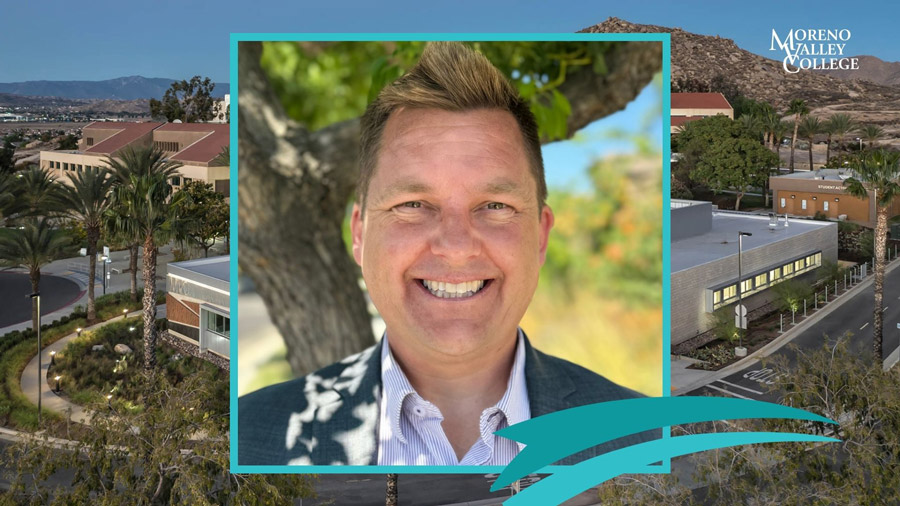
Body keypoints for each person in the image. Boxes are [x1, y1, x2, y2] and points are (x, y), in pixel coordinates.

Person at [238, 41, 649, 466]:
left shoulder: (646, 440)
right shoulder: (249, 435)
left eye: (495, 206)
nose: (455, 247)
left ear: (540, 237)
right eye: (413, 204)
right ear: (359, 234)